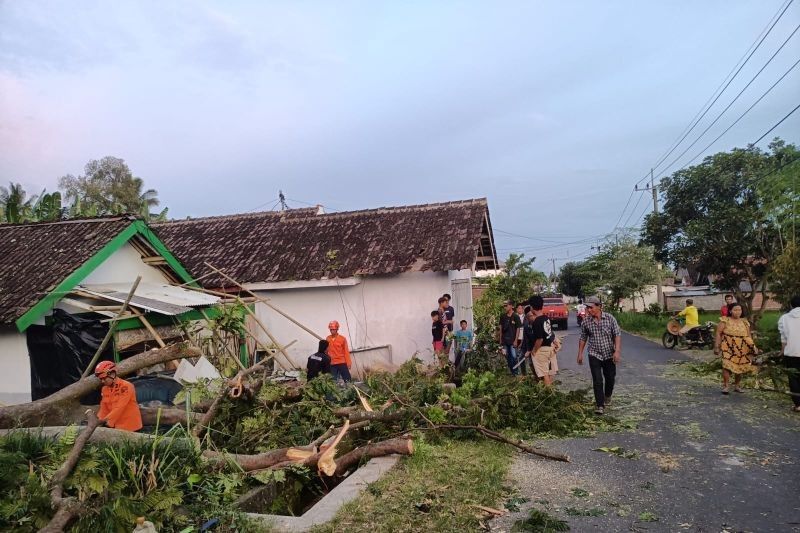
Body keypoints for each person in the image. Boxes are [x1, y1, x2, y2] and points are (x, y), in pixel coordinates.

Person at [577, 296, 622, 415]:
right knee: (597, 380)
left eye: (591, 307)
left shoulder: (609, 318)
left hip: (609, 354)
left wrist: (617, 351)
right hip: (594, 354)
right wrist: (580, 354)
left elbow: (617, 334)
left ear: (599, 306)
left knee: (610, 378)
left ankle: (607, 396)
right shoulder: (586, 321)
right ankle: (600, 405)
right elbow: (583, 338)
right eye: (587, 307)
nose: (589, 310)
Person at [714, 303, 757, 394]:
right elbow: (718, 333)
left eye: (739, 310)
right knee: (726, 365)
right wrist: (717, 346)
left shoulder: (745, 322)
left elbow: (748, 336)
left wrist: (753, 347)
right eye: (735, 310)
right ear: (730, 311)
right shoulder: (725, 320)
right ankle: (726, 386)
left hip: (742, 347)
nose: (738, 312)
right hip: (728, 346)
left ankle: (737, 386)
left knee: (739, 366)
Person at [95, 361, 142, 432]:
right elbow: (104, 407)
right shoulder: (105, 389)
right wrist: (98, 421)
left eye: (104, 378)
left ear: (112, 374)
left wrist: (105, 421)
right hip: (116, 427)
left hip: (131, 427)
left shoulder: (126, 386)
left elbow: (120, 407)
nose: (102, 381)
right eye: (101, 379)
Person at [524, 296, 560, 385]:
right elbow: (549, 333)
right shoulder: (546, 318)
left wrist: (534, 351)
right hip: (549, 348)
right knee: (548, 372)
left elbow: (539, 339)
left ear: (532, 307)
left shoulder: (537, 322)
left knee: (544, 374)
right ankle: (550, 389)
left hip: (542, 350)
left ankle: (548, 394)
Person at [778, 295, 800, 412]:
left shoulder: (784, 318)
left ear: (791, 305)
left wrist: (782, 352)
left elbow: (784, 338)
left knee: (793, 378)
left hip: (791, 352)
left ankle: (798, 404)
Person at [499, 300, 523, 375]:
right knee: (507, 356)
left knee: (514, 356)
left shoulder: (515, 316)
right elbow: (500, 328)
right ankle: (512, 371)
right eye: (504, 306)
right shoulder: (503, 316)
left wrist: (516, 340)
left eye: (506, 305)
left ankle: (516, 371)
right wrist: (500, 339)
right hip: (505, 340)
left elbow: (518, 329)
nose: (505, 307)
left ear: (511, 306)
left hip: (513, 340)